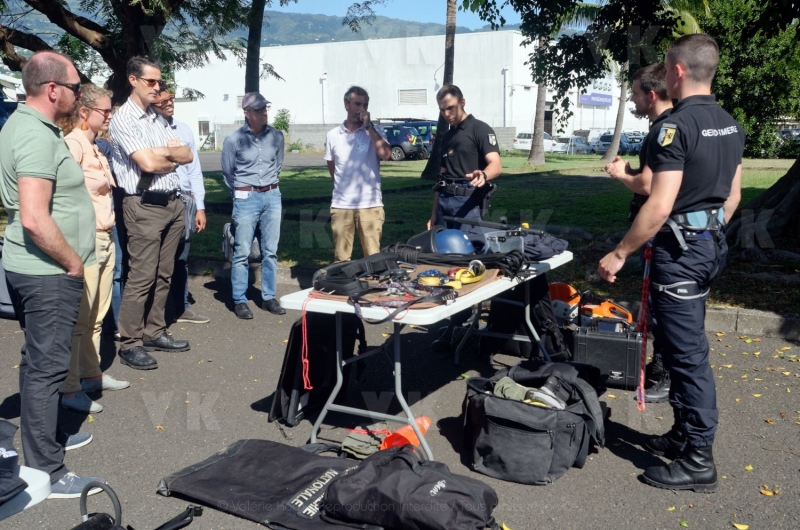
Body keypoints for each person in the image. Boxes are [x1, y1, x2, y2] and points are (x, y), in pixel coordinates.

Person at [598, 34, 744, 492]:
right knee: (680, 343)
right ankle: (683, 434)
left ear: (677, 72)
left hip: (680, 255)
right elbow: (732, 197)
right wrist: (706, 232)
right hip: (708, 248)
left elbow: (658, 206)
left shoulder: (674, 128)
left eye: (666, 66)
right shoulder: (729, 124)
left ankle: (699, 459)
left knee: (687, 357)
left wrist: (619, 252)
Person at [0, 51, 106, 498]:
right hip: (47, 273)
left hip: (39, 270)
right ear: (53, 89)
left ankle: (42, 440)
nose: (80, 94)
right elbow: (34, 217)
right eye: (76, 86)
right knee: (46, 369)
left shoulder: (26, 126)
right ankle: (47, 469)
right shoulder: (35, 136)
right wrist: (72, 262)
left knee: (39, 363)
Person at [109, 56, 193, 370]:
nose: (157, 88)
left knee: (164, 273)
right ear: (133, 80)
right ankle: (129, 342)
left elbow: (186, 153)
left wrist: (163, 154)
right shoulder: (124, 119)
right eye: (151, 82)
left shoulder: (155, 117)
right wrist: (166, 154)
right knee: (141, 277)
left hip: (172, 202)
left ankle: (154, 330)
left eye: (159, 82)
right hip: (143, 205)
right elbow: (147, 164)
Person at [604, 63, 673, 403]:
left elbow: (648, 187)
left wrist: (621, 176)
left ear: (651, 93)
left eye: (634, 93)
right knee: (662, 306)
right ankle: (664, 368)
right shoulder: (675, 126)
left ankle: (664, 371)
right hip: (681, 234)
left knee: (663, 307)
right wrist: (630, 169)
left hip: (662, 233)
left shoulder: (662, 130)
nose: (632, 100)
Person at [59, 85, 130, 414]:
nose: (110, 116)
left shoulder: (98, 146)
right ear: (84, 113)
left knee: (97, 316)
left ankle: (91, 374)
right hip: (84, 239)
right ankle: (70, 387)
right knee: (80, 319)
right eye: (105, 111)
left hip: (105, 236)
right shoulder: (72, 145)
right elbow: (61, 193)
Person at [427, 84, 502, 352]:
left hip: (468, 203)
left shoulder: (480, 129)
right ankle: (454, 324)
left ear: (462, 102)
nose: (447, 113)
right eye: (442, 109)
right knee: (446, 263)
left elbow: (496, 164)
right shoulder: (446, 137)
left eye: (451, 107)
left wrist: (484, 174)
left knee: (470, 262)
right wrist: (434, 213)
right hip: (446, 203)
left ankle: (468, 324)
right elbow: (442, 177)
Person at [222, 92, 285, 319]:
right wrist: (241, 194)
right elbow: (228, 173)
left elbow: (277, 165)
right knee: (242, 252)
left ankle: (268, 297)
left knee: (271, 251)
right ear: (246, 113)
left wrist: (267, 188)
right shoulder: (233, 139)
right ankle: (240, 299)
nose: (263, 113)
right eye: (258, 110)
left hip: (272, 195)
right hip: (245, 197)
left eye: (265, 108)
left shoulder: (277, 136)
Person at [151, 87, 210, 324]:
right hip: (158, 200)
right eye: (163, 100)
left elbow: (194, 170)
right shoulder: (150, 130)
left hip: (185, 199)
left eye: (171, 99)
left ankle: (181, 307)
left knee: (181, 258)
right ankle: (156, 312)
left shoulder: (184, 129)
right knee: (155, 259)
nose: (169, 103)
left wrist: (200, 206)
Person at [324, 86, 391, 262]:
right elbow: (333, 168)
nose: (361, 109)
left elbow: (386, 154)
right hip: (342, 205)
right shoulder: (333, 135)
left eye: (365, 104)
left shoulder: (376, 132)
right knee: (341, 259)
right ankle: (343, 288)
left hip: (370, 205)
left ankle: (373, 288)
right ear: (346, 104)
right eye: (357, 104)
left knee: (373, 258)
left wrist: (368, 126)